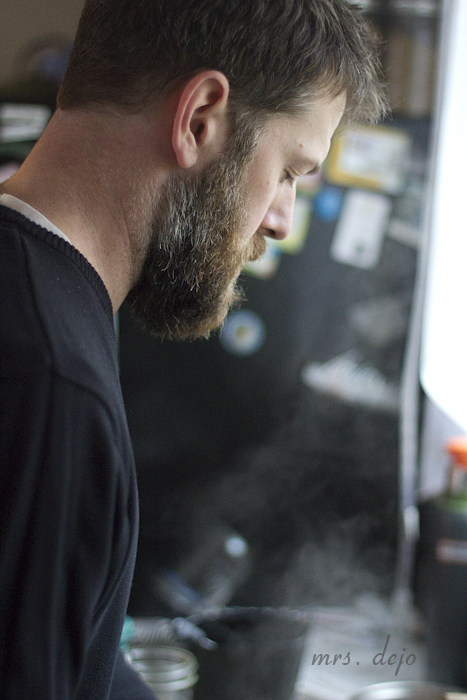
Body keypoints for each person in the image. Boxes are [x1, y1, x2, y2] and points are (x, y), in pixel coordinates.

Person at [0, 0, 386, 697]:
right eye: (289, 171)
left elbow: (76, 656)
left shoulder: (36, 295)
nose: (281, 220)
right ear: (200, 118)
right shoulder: (51, 383)